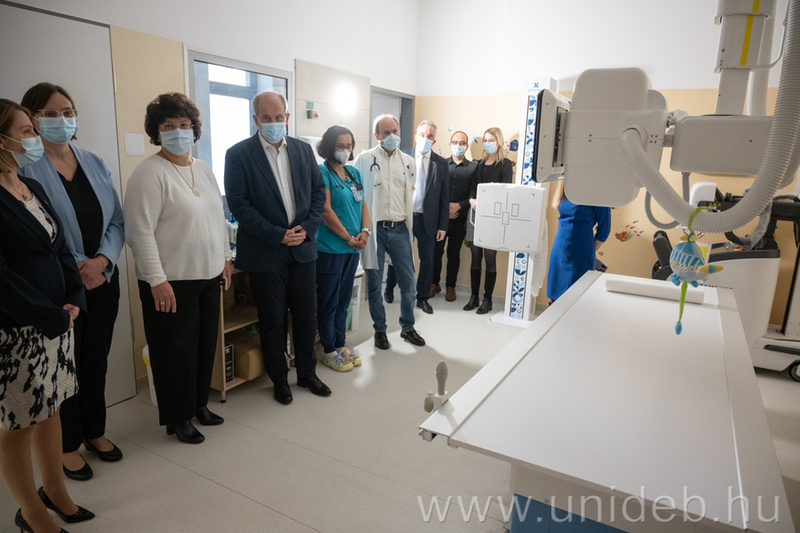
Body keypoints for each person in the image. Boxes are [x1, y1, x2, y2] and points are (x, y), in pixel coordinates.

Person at [19, 82, 125, 482]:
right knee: (65, 367)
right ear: (31, 119)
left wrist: (103, 261)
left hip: (104, 278)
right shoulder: (23, 169)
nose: (61, 120)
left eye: (67, 112)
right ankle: (67, 446)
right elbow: (36, 232)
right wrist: (82, 266)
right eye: (49, 114)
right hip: (61, 286)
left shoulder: (94, 161)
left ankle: (95, 430)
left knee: (96, 359)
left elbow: (117, 220)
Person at [0, 99, 94, 532]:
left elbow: (59, 247)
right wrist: (50, 315)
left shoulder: (29, 185)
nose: (34, 138)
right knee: (18, 426)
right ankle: (31, 512)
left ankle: (55, 490)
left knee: (51, 408)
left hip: (57, 322)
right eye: (26, 131)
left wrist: (74, 295)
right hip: (16, 331)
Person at [124, 93, 231, 444]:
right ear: (157, 132)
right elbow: (138, 231)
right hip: (170, 281)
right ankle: (178, 417)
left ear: (194, 130)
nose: (178, 131)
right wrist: (156, 279)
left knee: (203, 346)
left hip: (207, 275)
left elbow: (218, 218)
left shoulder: (203, 169)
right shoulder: (148, 173)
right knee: (174, 353)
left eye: (185, 124)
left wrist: (225, 258)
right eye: (168, 125)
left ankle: (199, 405)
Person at [224, 91, 330, 405]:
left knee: (306, 316)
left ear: (287, 116)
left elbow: (318, 193)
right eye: (266, 118)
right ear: (255, 120)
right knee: (273, 320)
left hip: (303, 248)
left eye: (279, 117)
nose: (273, 123)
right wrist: (277, 235)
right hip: (265, 252)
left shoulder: (302, 149)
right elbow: (239, 205)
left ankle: (307, 373)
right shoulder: (238, 154)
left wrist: (307, 228)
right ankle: (279, 379)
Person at [353, 115, 426, 349]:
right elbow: (357, 197)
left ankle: (408, 327)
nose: (392, 136)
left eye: (395, 131)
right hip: (374, 230)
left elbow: (410, 193)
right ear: (377, 136)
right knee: (375, 284)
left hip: (400, 229)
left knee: (409, 283)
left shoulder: (408, 162)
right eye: (386, 132)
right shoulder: (364, 160)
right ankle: (380, 330)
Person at [315, 125, 369, 372]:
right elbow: (325, 211)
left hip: (352, 249)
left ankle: (340, 344)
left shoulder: (354, 172)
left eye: (349, 146)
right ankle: (328, 351)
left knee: (343, 300)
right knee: (329, 300)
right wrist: (348, 238)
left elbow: (363, 205)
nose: (345, 150)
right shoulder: (322, 172)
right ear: (329, 147)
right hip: (330, 248)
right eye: (340, 146)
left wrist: (365, 232)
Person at [384, 121, 448, 315]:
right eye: (422, 135)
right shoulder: (401, 156)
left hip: (428, 220)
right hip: (403, 216)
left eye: (430, 136)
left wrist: (443, 226)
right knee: (397, 256)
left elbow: (444, 198)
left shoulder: (441, 163)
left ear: (434, 140)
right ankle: (389, 288)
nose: (425, 139)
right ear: (415, 136)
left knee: (427, 260)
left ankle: (422, 298)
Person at [465, 127, 514, 314]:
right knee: (475, 257)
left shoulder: (505, 164)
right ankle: (474, 296)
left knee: (490, 258)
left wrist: (485, 202)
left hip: (493, 216)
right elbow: (473, 187)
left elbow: (505, 191)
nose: (487, 143)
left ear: (499, 142)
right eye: (485, 140)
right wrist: (472, 200)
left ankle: (488, 299)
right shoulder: (479, 164)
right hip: (475, 214)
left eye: (491, 140)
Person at [547, 181, 611, 301]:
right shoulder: (564, 185)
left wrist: (591, 250)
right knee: (555, 298)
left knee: (575, 299)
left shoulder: (598, 190)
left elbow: (604, 230)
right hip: (559, 249)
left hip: (581, 250)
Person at [433, 130, 476, 302]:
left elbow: (474, 194)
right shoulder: (441, 164)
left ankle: (451, 287)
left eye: (462, 143)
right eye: (455, 142)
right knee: (436, 252)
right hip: (440, 218)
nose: (458, 145)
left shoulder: (473, 168)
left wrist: (459, 205)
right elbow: (435, 190)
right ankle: (434, 283)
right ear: (450, 144)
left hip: (460, 218)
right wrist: (446, 208)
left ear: (466, 147)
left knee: (453, 254)